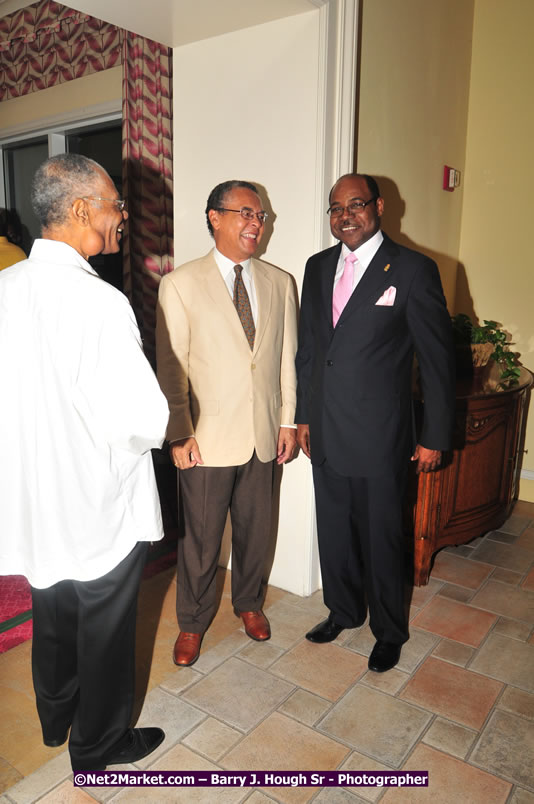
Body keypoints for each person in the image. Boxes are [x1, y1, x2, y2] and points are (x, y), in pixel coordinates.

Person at [0, 154, 169, 770]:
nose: (123, 215)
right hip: (96, 500)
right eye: (116, 203)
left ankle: (55, 719)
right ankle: (98, 746)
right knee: (104, 625)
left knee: (52, 606)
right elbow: (142, 420)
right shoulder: (99, 302)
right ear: (80, 210)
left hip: (31, 492)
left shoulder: (4, 289)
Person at [295, 173, 455, 672]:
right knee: (335, 530)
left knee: (383, 537)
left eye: (356, 204)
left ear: (379, 207)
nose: (345, 215)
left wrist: (434, 434)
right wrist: (302, 417)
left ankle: (389, 630)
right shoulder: (317, 267)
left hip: (380, 435)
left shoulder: (412, 270)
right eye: (336, 208)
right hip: (324, 428)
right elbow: (310, 352)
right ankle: (342, 610)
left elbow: (436, 361)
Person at [156, 180, 297, 667]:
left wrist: (289, 421)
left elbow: (285, 362)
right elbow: (170, 366)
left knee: (257, 532)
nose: (256, 223)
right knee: (200, 540)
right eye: (245, 213)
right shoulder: (180, 284)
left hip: (263, 435)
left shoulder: (281, 284)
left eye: (260, 215)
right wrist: (179, 432)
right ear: (214, 217)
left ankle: (250, 603)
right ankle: (192, 624)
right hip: (205, 438)